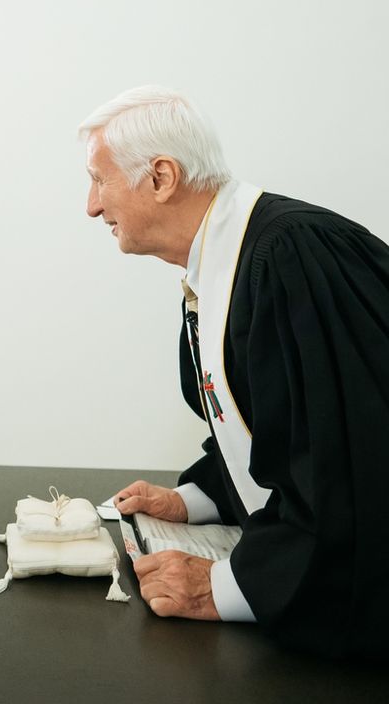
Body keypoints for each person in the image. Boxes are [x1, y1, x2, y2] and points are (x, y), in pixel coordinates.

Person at [80, 86, 389, 658]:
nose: (92, 206)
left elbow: (350, 460)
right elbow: (278, 424)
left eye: (100, 180)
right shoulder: (225, 262)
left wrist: (224, 586)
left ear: (161, 177)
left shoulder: (293, 252)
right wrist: (197, 498)